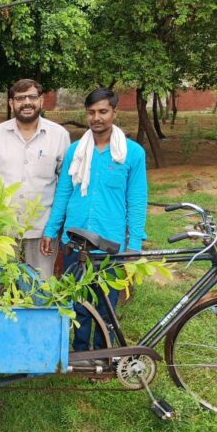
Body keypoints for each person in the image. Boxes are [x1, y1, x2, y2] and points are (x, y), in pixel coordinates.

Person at [41, 87, 147, 351]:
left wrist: (134, 243)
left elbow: (136, 201)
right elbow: (64, 192)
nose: (96, 117)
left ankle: (103, 355)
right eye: (91, 112)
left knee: (106, 303)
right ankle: (78, 353)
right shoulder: (76, 151)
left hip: (109, 243)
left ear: (114, 112)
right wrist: (51, 230)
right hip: (75, 242)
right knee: (77, 302)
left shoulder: (131, 153)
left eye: (103, 111)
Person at [0, 79, 70, 279]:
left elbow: (65, 185)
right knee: (2, 287)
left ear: (41, 101)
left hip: (42, 229)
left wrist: (55, 226)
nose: (27, 102)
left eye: (32, 97)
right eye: (20, 98)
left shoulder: (59, 135)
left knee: (39, 288)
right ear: (11, 103)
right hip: (3, 230)